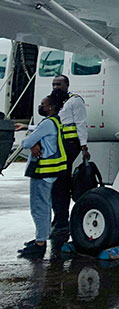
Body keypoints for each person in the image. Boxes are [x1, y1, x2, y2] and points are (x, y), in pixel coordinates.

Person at [17, 91, 69, 258]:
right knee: (44, 207)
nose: (41, 106)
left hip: (42, 172)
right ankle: (41, 239)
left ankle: (40, 243)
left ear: (51, 107)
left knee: (39, 208)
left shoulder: (47, 124)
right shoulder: (55, 121)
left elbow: (26, 143)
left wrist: (32, 141)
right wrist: (33, 135)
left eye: (43, 104)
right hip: (50, 173)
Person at [50, 74, 89, 239]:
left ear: (67, 85)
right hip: (59, 145)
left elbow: (80, 123)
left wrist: (83, 146)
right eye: (53, 84)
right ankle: (59, 218)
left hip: (70, 145)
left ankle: (61, 222)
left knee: (60, 181)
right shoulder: (56, 103)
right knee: (58, 182)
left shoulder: (75, 101)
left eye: (59, 84)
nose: (55, 87)